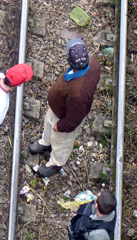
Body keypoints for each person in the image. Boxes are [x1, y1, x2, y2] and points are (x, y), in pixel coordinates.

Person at [29, 38, 101, 177]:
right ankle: (46, 142)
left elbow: (74, 119)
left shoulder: (78, 94)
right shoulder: (93, 62)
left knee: (61, 143)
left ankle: (56, 164)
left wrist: (61, 126)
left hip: (64, 118)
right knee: (49, 124)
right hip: (59, 107)